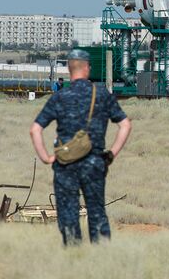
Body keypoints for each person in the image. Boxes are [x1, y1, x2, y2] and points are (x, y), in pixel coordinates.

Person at [29, 49, 132, 245]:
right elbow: (125, 125)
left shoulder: (60, 96)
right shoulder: (101, 95)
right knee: (97, 212)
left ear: (69, 69)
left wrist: (46, 158)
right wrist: (111, 154)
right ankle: (100, 259)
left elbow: (35, 130)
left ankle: (74, 257)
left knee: (68, 214)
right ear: (87, 68)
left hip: (65, 164)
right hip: (94, 163)